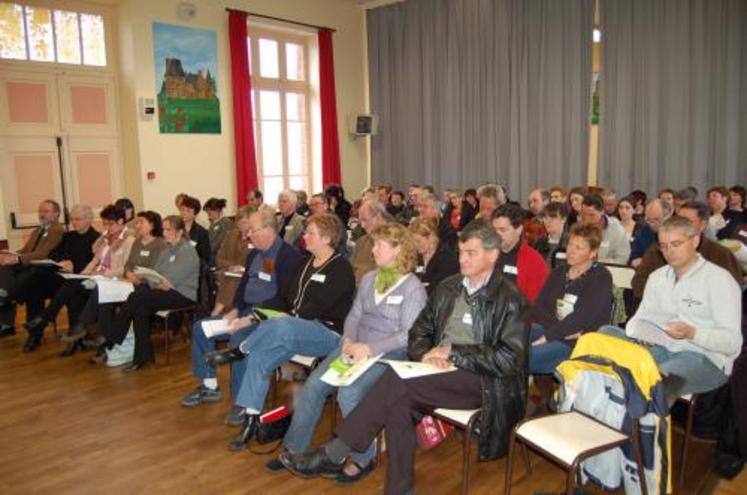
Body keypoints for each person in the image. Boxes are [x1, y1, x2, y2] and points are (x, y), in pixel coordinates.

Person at [279, 221, 531, 494]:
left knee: (397, 380)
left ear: (493, 255)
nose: (462, 259)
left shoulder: (510, 298)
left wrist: (454, 353)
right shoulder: (449, 287)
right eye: (460, 252)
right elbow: (419, 331)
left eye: (471, 253)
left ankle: (335, 452)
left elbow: (509, 359)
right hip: (439, 371)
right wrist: (426, 354)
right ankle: (398, 489)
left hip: (484, 381)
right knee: (399, 405)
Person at [270, 222, 428, 483]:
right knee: (313, 386)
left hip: (389, 354)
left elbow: (407, 336)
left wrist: (369, 348)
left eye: (379, 245)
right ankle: (295, 449)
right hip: (355, 347)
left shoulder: (412, 287)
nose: (373, 249)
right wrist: (348, 340)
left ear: (399, 249)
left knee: (349, 393)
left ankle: (364, 458)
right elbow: (354, 315)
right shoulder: (368, 279)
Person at [221, 214, 356, 451]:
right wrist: (257, 314)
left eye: (310, 233)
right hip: (294, 331)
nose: (304, 236)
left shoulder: (341, 268)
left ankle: (240, 349)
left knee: (281, 324)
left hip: (327, 334)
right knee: (259, 357)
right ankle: (251, 420)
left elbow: (317, 308)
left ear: (326, 238)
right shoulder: (305, 262)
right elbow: (284, 298)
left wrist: (286, 317)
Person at [601, 216, 742, 404]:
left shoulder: (719, 280)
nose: (669, 251)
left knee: (654, 381)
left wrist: (692, 333)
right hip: (662, 347)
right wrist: (640, 333)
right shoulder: (657, 278)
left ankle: (645, 429)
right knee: (604, 335)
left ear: (695, 241)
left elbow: (732, 343)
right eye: (664, 246)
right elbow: (642, 318)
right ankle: (593, 409)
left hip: (705, 358)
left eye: (676, 244)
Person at [180, 209, 302, 414]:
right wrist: (235, 309)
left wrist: (252, 316)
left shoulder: (289, 256)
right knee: (200, 328)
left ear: (268, 229)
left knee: (238, 340)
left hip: (268, 317)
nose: (247, 235)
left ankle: (241, 403)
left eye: (252, 230)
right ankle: (210, 386)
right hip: (245, 311)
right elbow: (243, 285)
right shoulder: (254, 253)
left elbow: (284, 300)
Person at [23, 204, 135, 352]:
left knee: (72, 286)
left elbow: (124, 268)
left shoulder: (129, 240)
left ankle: (46, 321)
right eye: (105, 224)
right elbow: (95, 260)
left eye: (110, 224)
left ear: (121, 221)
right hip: (97, 279)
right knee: (72, 287)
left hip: (113, 281)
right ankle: (74, 334)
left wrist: (99, 274)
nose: (107, 227)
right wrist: (83, 274)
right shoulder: (105, 238)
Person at [100, 215, 198, 370]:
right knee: (140, 307)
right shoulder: (166, 250)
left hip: (183, 294)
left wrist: (159, 281)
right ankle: (142, 358)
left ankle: (113, 337)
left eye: (168, 230)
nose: (164, 233)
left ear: (179, 232)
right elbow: (155, 274)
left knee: (137, 296)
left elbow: (172, 280)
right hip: (163, 290)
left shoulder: (187, 250)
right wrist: (157, 282)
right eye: (164, 229)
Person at [529, 223, 613, 374]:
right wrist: (555, 330)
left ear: (592, 253)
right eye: (570, 245)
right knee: (514, 336)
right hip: (555, 329)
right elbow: (540, 306)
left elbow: (582, 318)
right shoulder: (559, 272)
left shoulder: (601, 277)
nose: (570, 251)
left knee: (525, 357)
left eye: (578, 248)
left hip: (579, 340)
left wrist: (549, 336)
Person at [86, 211, 167, 362]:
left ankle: (108, 340)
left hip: (147, 285)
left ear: (152, 225)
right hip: (130, 281)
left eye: (141, 222)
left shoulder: (160, 244)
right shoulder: (138, 242)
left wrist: (138, 277)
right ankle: (104, 340)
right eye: (137, 222)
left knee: (112, 297)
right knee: (105, 297)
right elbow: (129, 264)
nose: (137, 225)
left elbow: (155, 268)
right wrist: (129, 273)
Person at [17, 205, 98, 352]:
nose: (74, 222)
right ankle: (36, 333)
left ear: (89, 220)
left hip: (80, 279)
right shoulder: (69, 236)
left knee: (72, 289)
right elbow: (53, 254)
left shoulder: (96, 239)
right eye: (72, 219)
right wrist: (63, 261)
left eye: (78, 219)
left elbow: (94, 264)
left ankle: (40, 324)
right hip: (62, 277)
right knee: (35, 281)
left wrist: (74, 265)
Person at [631, 200, 742, 301]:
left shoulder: (720, 254)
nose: (681, 225)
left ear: (702, 225)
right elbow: (638, 282)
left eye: (687, 221)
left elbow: (732, 291)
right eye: (679, 220)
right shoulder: (658, 249)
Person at [0, 200, 64, 337]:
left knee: (20, 277)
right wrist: (12, 254)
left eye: (46, 211)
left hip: (43, 271)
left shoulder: (57, 230)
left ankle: (7, 297)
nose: (41, 214)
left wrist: (17, 259)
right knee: (4, 264)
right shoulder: (38, 230)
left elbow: (43, 253)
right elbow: (26, 250)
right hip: (29, 266)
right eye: (40, 211)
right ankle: (5, 313)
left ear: (56, 214)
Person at [491, 204, 549, 303]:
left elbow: (538, 304)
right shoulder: (486, 256)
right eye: (494, 230)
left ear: (518, 229)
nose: (497, 234)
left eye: (503, 230)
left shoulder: (533, 261)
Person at [210, 206, 254, 317]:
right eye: (238, 222)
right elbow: (219, 258)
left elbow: (256, 262)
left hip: (247, 275)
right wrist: (232, 266)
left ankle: (217, 312)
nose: (241, 225)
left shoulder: (256, 237)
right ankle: (223, 314)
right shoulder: (231, 235)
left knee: (232, 280)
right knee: (230, 277)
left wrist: (242, 268)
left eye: (244, 222)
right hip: (226, 272)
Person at [410, 217, 459, 295]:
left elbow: (442, 289)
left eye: (418, 241)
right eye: (413, 242)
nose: (415, 245)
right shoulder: (416, 257)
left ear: (431, 237)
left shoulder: (447, 260)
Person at [580, 194, 630, 264]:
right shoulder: (579, 228)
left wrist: (599, 263)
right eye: (584, 214)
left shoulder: (617, 229)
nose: (587, 219)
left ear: (602, 211)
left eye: (592, 215)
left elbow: (622, 259)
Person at [350, 200, 390, 283]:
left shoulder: (395, 241)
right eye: (361, 221)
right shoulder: (361, 243)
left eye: (365, 220)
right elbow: (349, 271)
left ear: (378, 217)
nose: (363, 226)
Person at [629, 199, 673, 267]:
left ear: (668, 217)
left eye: (656, 219)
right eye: (648, 220)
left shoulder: (677, 234)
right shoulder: (643, 232)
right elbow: (633, 258)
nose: (651, 224)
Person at [532, 202, 569, 269]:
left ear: (564, 219)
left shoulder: (571, 243)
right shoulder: (539, 242)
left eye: (553, 217)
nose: (547, 221)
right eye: (545, 217)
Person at [179, 195, 210, 264]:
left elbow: (205, 257)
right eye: (182, 209)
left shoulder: (202, 232)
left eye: (188, 211)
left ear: (195, 215)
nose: (183, 213)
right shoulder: (175, 228)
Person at [204, 197, 234, 267]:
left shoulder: (226, 223)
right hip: (212, 253)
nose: (208, 215)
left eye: (209, 212)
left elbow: (219, 243)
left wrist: (206, 250)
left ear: (217, 210)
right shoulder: (213, 224)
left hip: (220, 255)